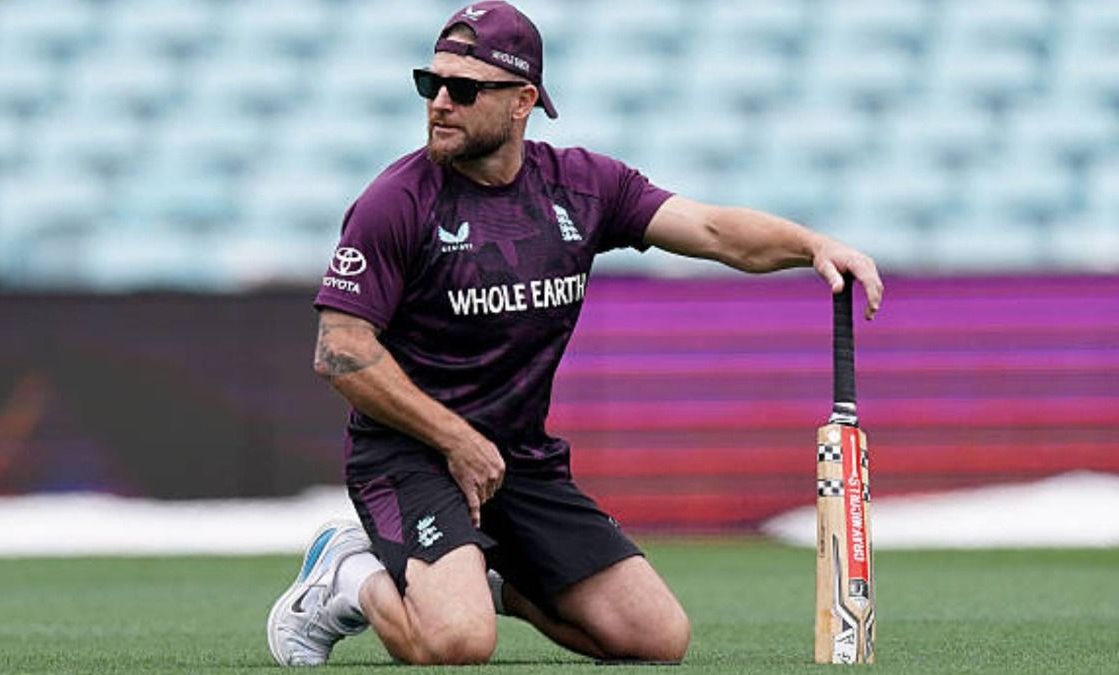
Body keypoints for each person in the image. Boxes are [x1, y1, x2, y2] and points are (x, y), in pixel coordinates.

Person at [267, 1, 883, 667]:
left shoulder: (583, 187)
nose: (440, 102)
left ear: (521, 100)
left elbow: (710, 230)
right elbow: (341, 351)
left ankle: (484, 579)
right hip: (409, 457)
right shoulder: (396, 201)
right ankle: (347, 577)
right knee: (457, 642)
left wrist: (813, 244)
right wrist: (456, 439)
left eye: (464, 88)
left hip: (518, 461)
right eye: (431, 82)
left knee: (655, 637)